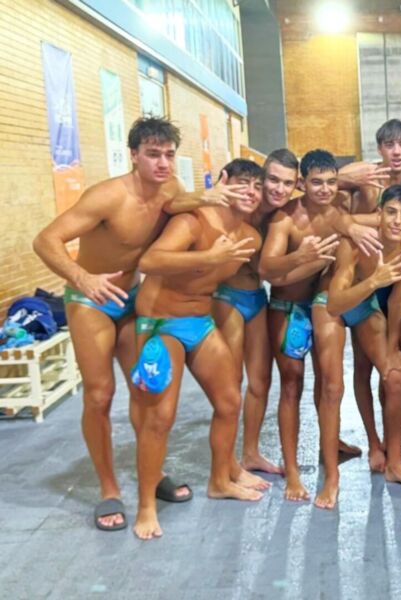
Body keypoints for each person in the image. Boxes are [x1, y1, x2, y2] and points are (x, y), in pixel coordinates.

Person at [32, 116, 244, 531]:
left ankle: (153, 472)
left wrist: (207, 196)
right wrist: (82, 278)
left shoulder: (169, 188)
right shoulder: (108, 197)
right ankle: (109, 488)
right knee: (99, 394)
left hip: (132, 301)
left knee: (147, 387)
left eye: (168, 154)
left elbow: (177, 206)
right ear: (133, 156)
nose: (162, 162)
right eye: (152, 154)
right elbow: (45, 240)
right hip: (91, 299)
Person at [132, 159, 269, 540]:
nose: (251, 192)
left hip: (200, 322)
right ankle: (145, 506)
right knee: (161, 416)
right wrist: (209, 258)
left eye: (256, 187)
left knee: (229, 401)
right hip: (161, 323)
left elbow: (265, 272)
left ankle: (219, 480)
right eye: (243, 184)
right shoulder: (193, 220)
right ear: (224, 183)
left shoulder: (251, 237)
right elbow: (151, 261)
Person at [325, 184, 401, 501]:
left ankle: (394, 462)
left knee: (396, 377)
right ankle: (372, 442)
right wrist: (373, 281)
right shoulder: (356, 243)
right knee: (359, 370)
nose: (397, 221)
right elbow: (335, 303)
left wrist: (394, 346)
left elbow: (398, 300)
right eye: (391, 212)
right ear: (379, 214)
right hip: (349, 300)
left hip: (378, 304)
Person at [259, 149, 349, 504]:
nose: (324, 189)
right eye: (316, 183)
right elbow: (267, 268)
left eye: (331, 182)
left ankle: (332, 470)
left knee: (331, 386)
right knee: (291, 384)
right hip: (286, 306)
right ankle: (292, 472)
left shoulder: (343, 211)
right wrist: (303, 257)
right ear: (302, 183)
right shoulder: (286, 219)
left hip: (324, 305)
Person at [213, 149, 301, 477]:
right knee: (232, 381)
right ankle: (226, 462)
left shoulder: (280, 214)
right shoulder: (238, 204)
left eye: (287, 183)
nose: (278, 189)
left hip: (257, 298)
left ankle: (250, 453)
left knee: (261, 380)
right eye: (273, 180)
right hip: (227, 296)